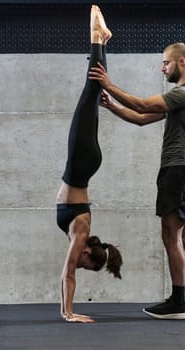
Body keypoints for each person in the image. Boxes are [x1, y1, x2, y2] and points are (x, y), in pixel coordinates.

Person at [88, 42, 185, 320]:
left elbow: (143, 104)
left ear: (181, 62)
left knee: (172, 236)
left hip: (178, 172)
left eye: (166, 62)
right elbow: (142, 118)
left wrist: (108, 84)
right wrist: (112, 106)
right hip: (182, 172)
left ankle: (178, 303)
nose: (162, 67)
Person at [56, 5, 122, 323]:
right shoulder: (80, 233)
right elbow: (68, 272)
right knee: (92, 88)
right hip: (80, 165)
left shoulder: (78, 235)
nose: (79, 264)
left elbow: (71, 269)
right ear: (86, 253)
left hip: (82, 165)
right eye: (86, 263)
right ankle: (97, 37)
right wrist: (68, 313)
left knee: (92, 96)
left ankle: (103, 41)